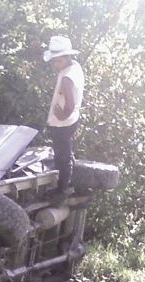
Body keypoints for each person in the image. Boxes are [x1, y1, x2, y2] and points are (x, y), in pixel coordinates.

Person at [43, 36, 84, 199]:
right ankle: (66, 183)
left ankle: (62, 188)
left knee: (62, 155)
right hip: (70, 120)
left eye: (57, 61)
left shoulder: (67, 77)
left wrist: (63, 114)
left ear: (66, 57)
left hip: (63, 123)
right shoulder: (74, 67)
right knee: (65, 153)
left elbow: (70, 104)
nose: (55, 65)